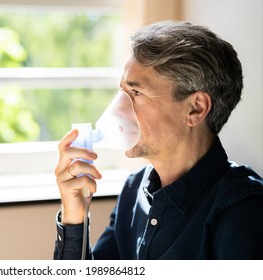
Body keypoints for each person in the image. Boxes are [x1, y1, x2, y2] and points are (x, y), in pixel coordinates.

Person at [53, 21, 263, 260]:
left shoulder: (244, 210)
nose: (119, 110)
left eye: (137, 93)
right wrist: (74, 214)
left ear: (196, 108)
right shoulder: (134, 191)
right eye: (122, 92)